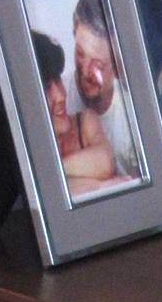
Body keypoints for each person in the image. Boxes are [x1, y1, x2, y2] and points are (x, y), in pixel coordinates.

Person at [31, 29, 118, 200]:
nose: (61, 96)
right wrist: (100, 186)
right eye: (46, 87)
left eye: (58, 80)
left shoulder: (85, 121)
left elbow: (106, 161)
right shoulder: (31, 151)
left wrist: (51, 171)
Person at [67, 0, 141, 181]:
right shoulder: (57, 100)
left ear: (119, 67)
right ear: (75, 29)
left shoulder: (134, 118)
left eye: (98, 65)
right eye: (80, 54)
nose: (85, 71)